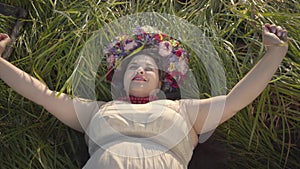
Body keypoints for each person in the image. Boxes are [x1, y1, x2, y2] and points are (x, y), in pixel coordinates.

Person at [0, 23, 288, 169]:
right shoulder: (97, 111)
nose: (139, 70)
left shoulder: (184, 111)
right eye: (132, 67)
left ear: (162, 80)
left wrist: (274, 54)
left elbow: (236, 100)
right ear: (121, 79)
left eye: (148, 67)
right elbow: (43, 94)